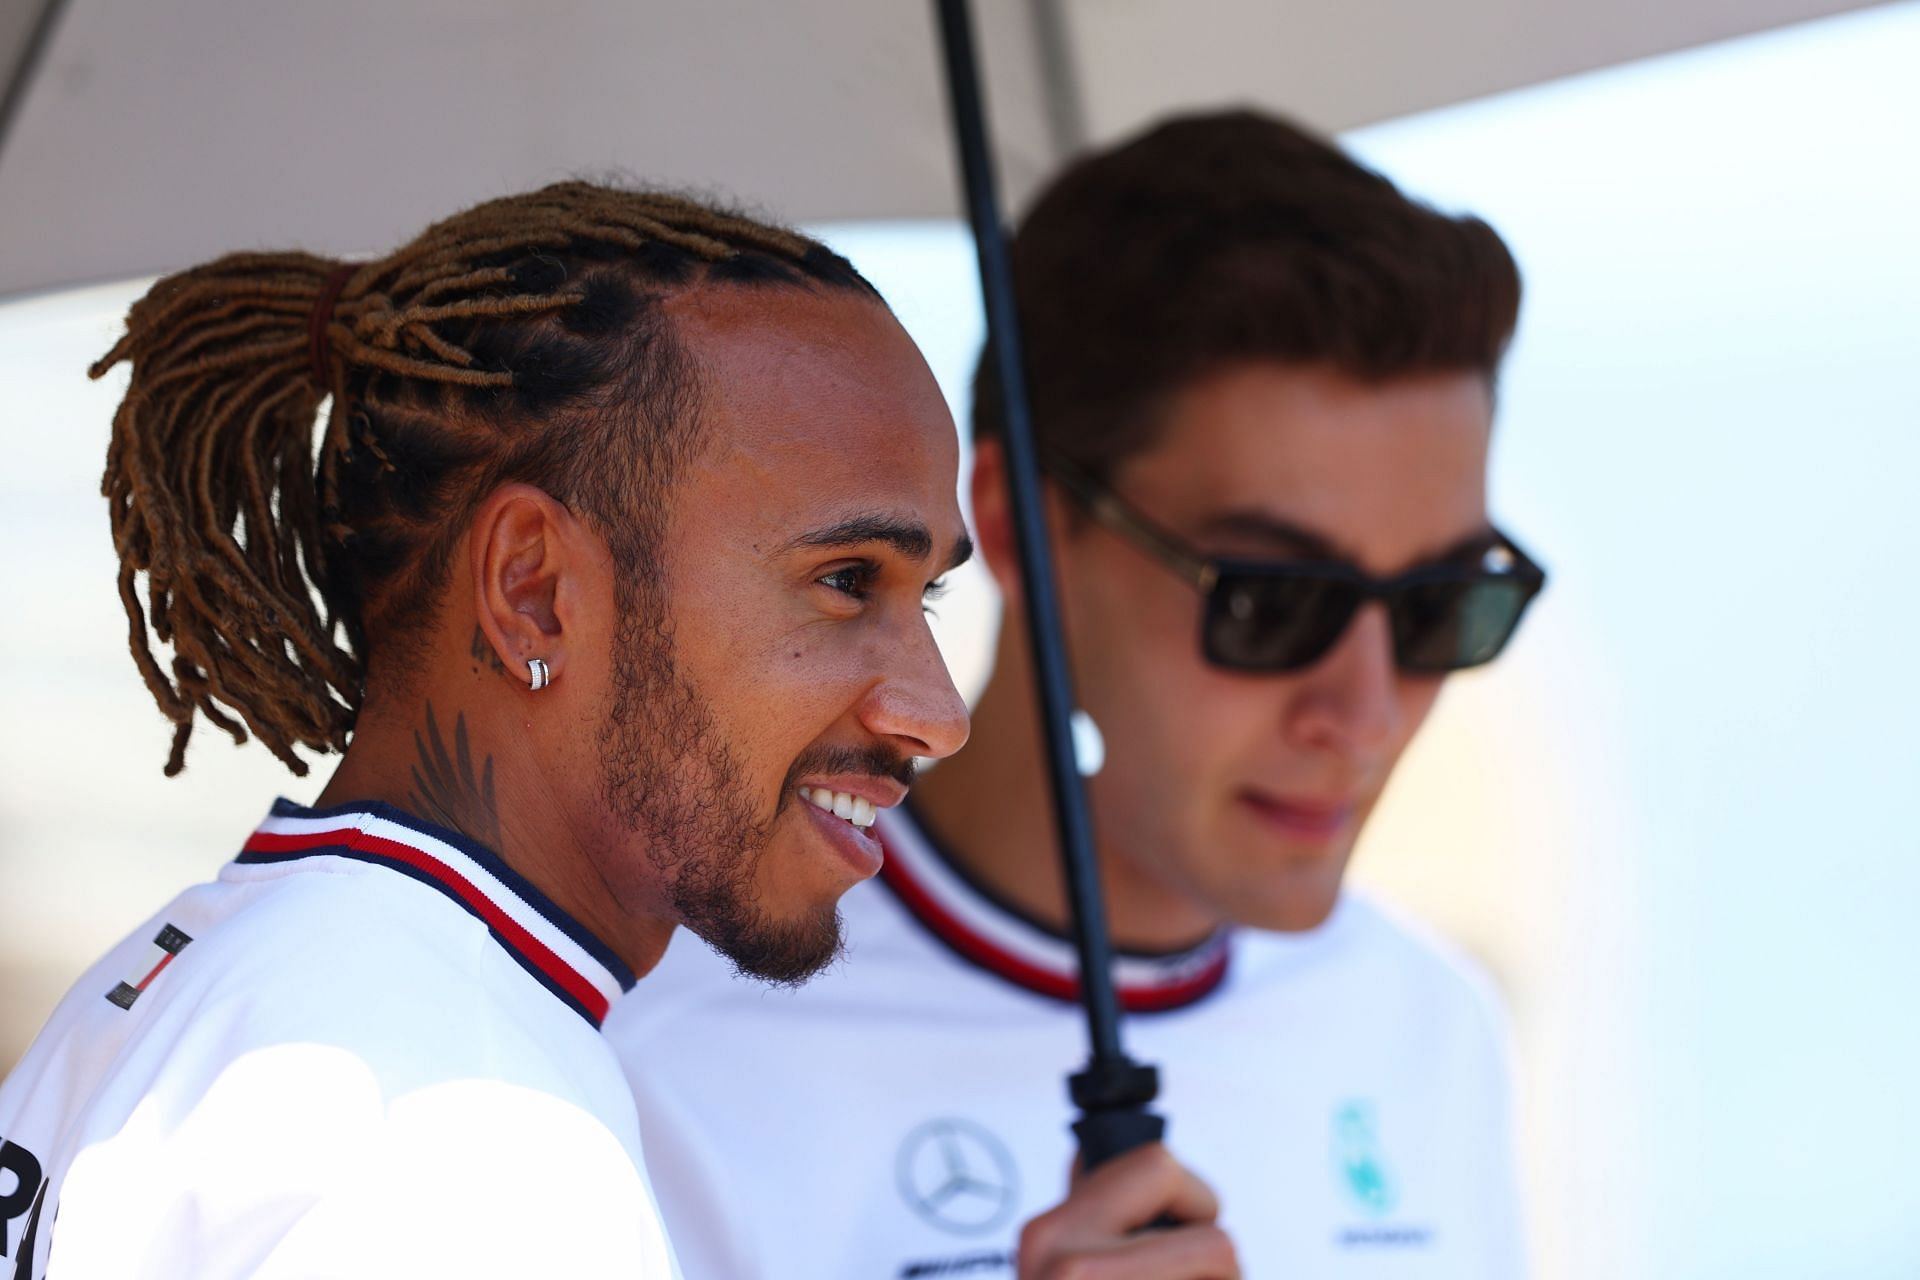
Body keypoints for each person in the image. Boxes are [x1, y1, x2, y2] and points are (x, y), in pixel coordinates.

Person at [0, 184, 1236, 1279]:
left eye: (930, 596)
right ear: (535, 585)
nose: (934, 712)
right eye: (846, 580)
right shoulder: (471, 1135)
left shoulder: (243, 980)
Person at [609, 110, 1545, 1278]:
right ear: (1017, 525)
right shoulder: (657, 1056)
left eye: (1438, 605)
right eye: (1271, 600)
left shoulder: (1428, 1028)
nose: (1362, 714)